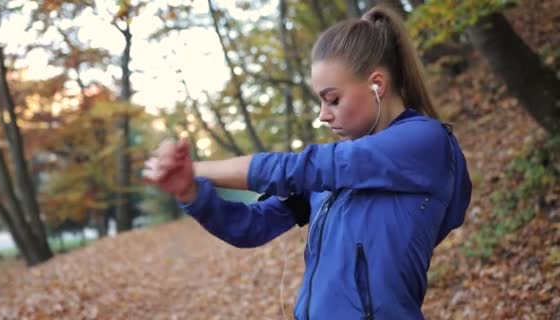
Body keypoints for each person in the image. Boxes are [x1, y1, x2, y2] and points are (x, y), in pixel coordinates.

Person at [143, 5, 471, 320]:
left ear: (377, 85)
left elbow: (298, 168)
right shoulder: (341, 169)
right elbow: (252, 226)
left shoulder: (424, 143)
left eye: (333, 99)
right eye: (320, 101)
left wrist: (198, 169)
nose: (323, 115)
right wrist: (190, 192)